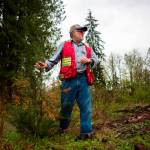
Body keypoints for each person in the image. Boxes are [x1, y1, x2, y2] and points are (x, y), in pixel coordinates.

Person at [35, 24, 99, 140]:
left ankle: (86, 132)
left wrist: (89, 60)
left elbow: (96, 59)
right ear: (72, 32)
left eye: (83, 31)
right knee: (66, 106)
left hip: (83, 80)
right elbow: (53, 59)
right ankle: (63, 129)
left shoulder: (87, 47)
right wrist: (46, 65)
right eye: (80, 30)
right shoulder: (64, 45)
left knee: (86, 107)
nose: (82, 32)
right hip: (69, 81)